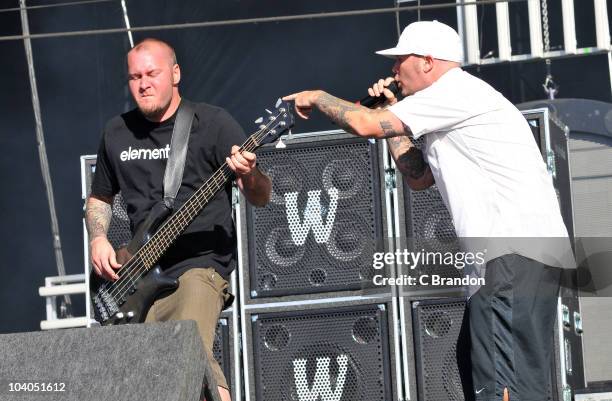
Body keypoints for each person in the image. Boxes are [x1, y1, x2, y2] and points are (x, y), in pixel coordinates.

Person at [283, 20, 573, 401]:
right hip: (514, 257)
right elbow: (418, 176)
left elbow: (363, 123)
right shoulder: (450, 103)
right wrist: (390, 109)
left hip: (512, 253)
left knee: (504, 385)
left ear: (427, 62)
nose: (393, 71)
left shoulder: (454, 90)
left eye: (399, 60)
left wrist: (318, 96)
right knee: (497, 378)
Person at [86, 38, 271, 401]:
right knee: (152, 377)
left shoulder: (213, 123)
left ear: (175, 74)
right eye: (134, 77)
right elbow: (99, 198)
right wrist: (98, 237)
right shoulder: (116, 132)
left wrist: (248, 173)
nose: (143, 83)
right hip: (136, 274)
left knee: (187, 350)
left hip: (199, 264)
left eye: (152, 73)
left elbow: (261, 195)